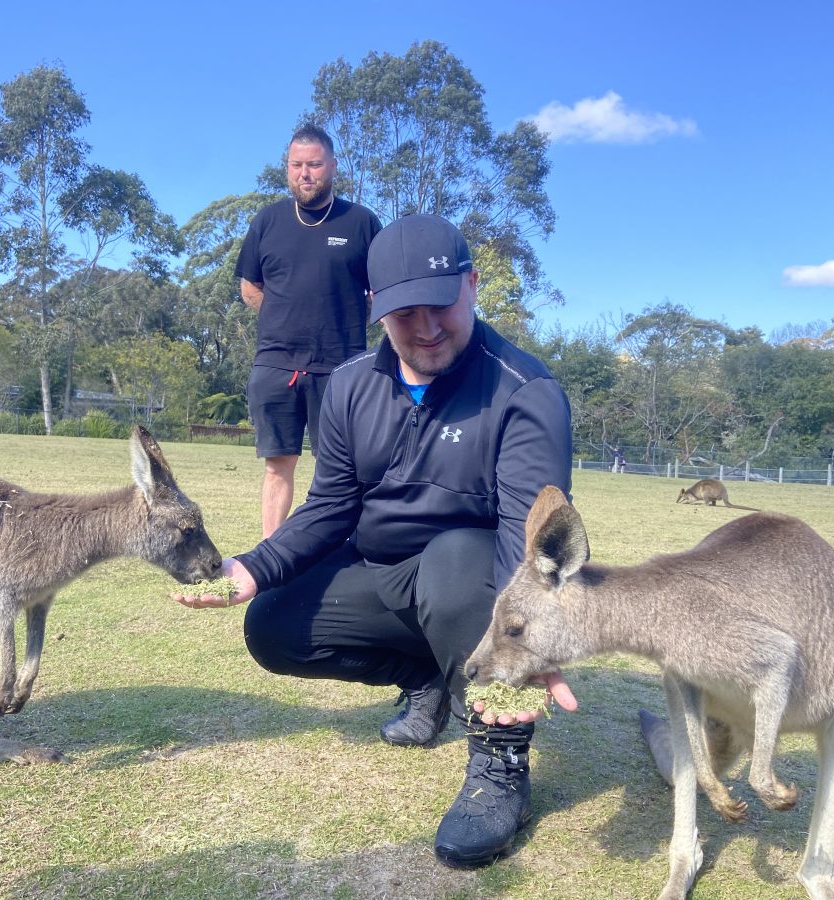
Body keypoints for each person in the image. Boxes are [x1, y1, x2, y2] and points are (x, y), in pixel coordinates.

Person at [178, 214, 574, 868]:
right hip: (384, 571)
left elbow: (525, 540)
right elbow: (330, 506)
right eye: (403, 313)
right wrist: (254, 567)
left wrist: (520, 649)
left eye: (440, 305)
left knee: (451, 565)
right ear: (375, 308)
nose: (424, 329)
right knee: (272, 623)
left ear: (472, 285)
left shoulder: (525, 393)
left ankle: (501, 762)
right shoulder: (354, 385)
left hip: (473, 580)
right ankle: (424, 675)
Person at [236, 124, 382, 538]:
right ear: (287, 168)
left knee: (341, 467)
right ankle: (271, 553)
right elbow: (250, 285)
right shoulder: (268, 221)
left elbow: (380, 290)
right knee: (277, 466)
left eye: (315, 165)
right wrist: (286, 314)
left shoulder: (361, 222)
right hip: (276, 363)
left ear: (332, 166)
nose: (305, 173)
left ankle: (339, 550)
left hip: (342, 366)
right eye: (297, 165)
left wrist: (350, 317)